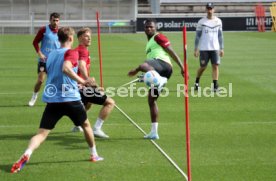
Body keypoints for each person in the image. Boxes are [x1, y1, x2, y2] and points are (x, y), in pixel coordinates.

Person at [11, 27, 103, 174]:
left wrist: (76, 81)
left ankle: (27, 153)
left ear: (58, 39)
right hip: (70, 99)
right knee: (86, 125)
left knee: (41, 134)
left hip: (53, 100)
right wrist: (83, 81)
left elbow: (54, 73)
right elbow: (66, 69)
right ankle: (94, 155)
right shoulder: (71, 52)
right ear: (71, 39)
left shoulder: (51, 54)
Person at [128, 19, 184, 140]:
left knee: (143, 65)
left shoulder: (159, 37)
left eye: (151, 27)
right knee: (151, 100)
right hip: (157, 72)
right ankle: (154, 132)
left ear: (155, 28)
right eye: (147, 27)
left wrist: (182, 66)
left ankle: (158, 79)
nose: (149, 29)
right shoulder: (149, 43)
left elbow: (171, 51)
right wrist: (147, 76)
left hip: (164, 65)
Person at [71, 28, 115, 138]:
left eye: (90, 36)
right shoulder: (83, 50)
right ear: (80, 38)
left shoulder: (77, 50)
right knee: (110, 103)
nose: (89, 38)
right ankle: (97, 129)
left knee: (88, 103)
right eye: (86, 36)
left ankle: (77, 124)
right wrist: (88, 81)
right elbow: (81, 66)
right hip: (81, 87)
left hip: (75, 86)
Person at [28, 12, 60, 106]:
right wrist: (40, 53)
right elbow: (35, 42)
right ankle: (34, 97)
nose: (55, 22)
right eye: (53, 20)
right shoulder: (44, 30)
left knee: (53, 81)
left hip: (55, 61)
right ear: (50, 20)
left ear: (59, 21)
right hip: (44, 60)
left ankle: (50, 99)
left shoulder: (61, 31)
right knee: (41, 80)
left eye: (57, 20)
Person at [193, 2, 224, 92]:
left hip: (215, 48)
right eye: (208, 8)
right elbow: (198, 36)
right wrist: (196, 48)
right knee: (203, 67)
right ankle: (197, 82)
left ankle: (215, 86)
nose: (209, 10)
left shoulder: (218, 21)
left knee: (215, 66)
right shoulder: (201, 21)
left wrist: (222, 48)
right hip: (204, 48)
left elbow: (220, 35)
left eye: (211, 8)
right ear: (206, 9)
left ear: (214, 9)